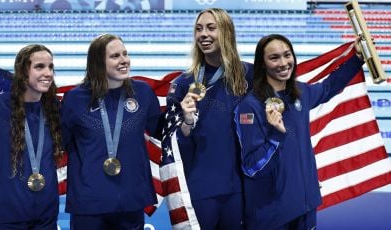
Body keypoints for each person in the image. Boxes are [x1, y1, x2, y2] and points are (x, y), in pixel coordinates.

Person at [234, 34, 364, 230]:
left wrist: (357, 58)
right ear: (262, 64)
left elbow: (328, 87)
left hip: (305, 205)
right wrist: (276, 136)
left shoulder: (300, 93)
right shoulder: (249, 107)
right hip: (273, 214)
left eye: (287, 55)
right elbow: (251, 167)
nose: (284, 63)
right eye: (274, 57)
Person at [162, 8, 253, 229]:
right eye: (199, 29)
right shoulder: (184, 84)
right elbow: (173, 146)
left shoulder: (249, 76)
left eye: (211, 28)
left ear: (227, 33)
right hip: (200, 190)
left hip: (240, 188)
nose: (204, 34)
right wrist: (187, 122)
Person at [61, 34, 161, 229]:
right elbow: (60, 142)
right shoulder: (75, 99)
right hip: (89, 204)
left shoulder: (143, 93)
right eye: (115, 56)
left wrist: (187, 119)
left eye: (125, 54)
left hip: (131, 201)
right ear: (98, 62)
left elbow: (161, 132)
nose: (124, 60)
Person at [0, 44, 63, 229]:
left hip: (46, 216)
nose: (48, 73)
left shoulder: (56, 110)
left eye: (51, 67)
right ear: (22, 71)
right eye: (40, 66)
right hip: (7, 217)